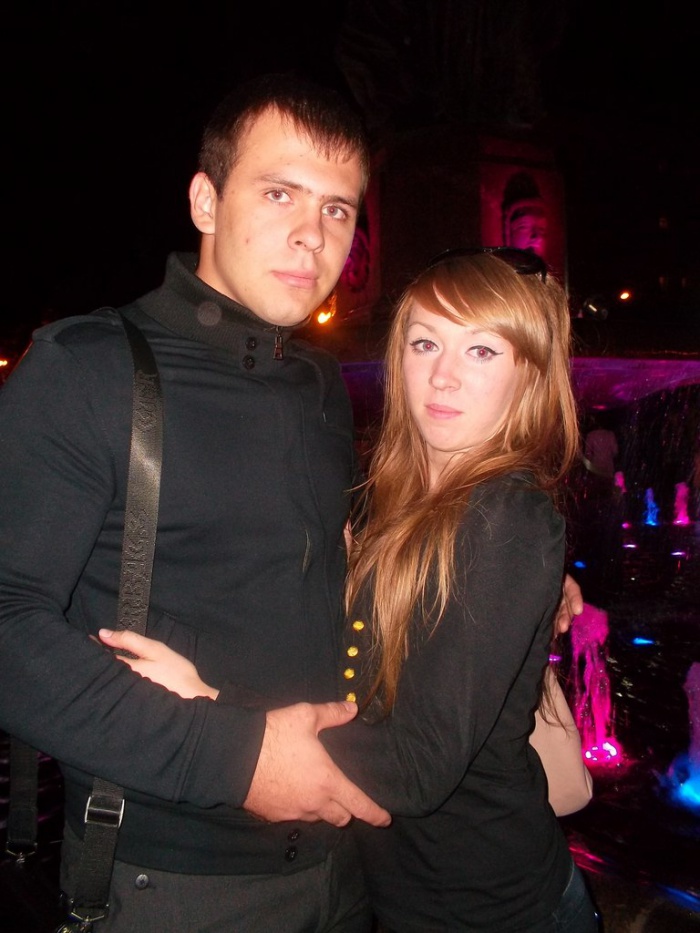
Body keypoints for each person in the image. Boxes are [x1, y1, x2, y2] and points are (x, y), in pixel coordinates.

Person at [102, 246, 598, 931]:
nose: (444, 375)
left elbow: (412, 771)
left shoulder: (505, 515)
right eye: (425, 343)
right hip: (399, 893)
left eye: (482, 351)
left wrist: (209, 702)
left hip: (491, 906)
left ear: (529, 376)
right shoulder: (396, 496)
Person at [0, 71, 391, 932]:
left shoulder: (320, 384)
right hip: (175, 881)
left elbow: (325, 570)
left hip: (344, 864)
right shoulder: (88, 367)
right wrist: (238, 759)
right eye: (280, 192)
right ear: (205, 201)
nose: (312, 234)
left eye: (336, 208)